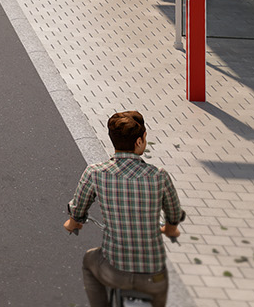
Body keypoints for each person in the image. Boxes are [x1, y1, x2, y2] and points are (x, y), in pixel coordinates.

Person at [64, 109, 184, 307]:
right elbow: (174, 214)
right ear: (139, 142)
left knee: (89, 260)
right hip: (153, 278)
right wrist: (170, 229)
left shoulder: (95, 173)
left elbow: (78, 210)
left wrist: (73, 222)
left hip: (114, 272)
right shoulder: (159, 176)